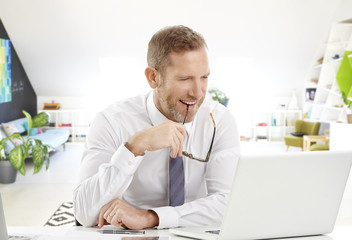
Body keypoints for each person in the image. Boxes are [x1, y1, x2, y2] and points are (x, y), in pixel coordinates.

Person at [73, 25, 241, 230]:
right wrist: (134, 147)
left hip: (194, 230)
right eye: (185, 78)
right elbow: (83, 213)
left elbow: (229, 205)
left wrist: (151, 217)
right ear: (153, 77)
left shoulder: (219, 120)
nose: (198, 93)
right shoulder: (111, 121)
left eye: (204, 77)